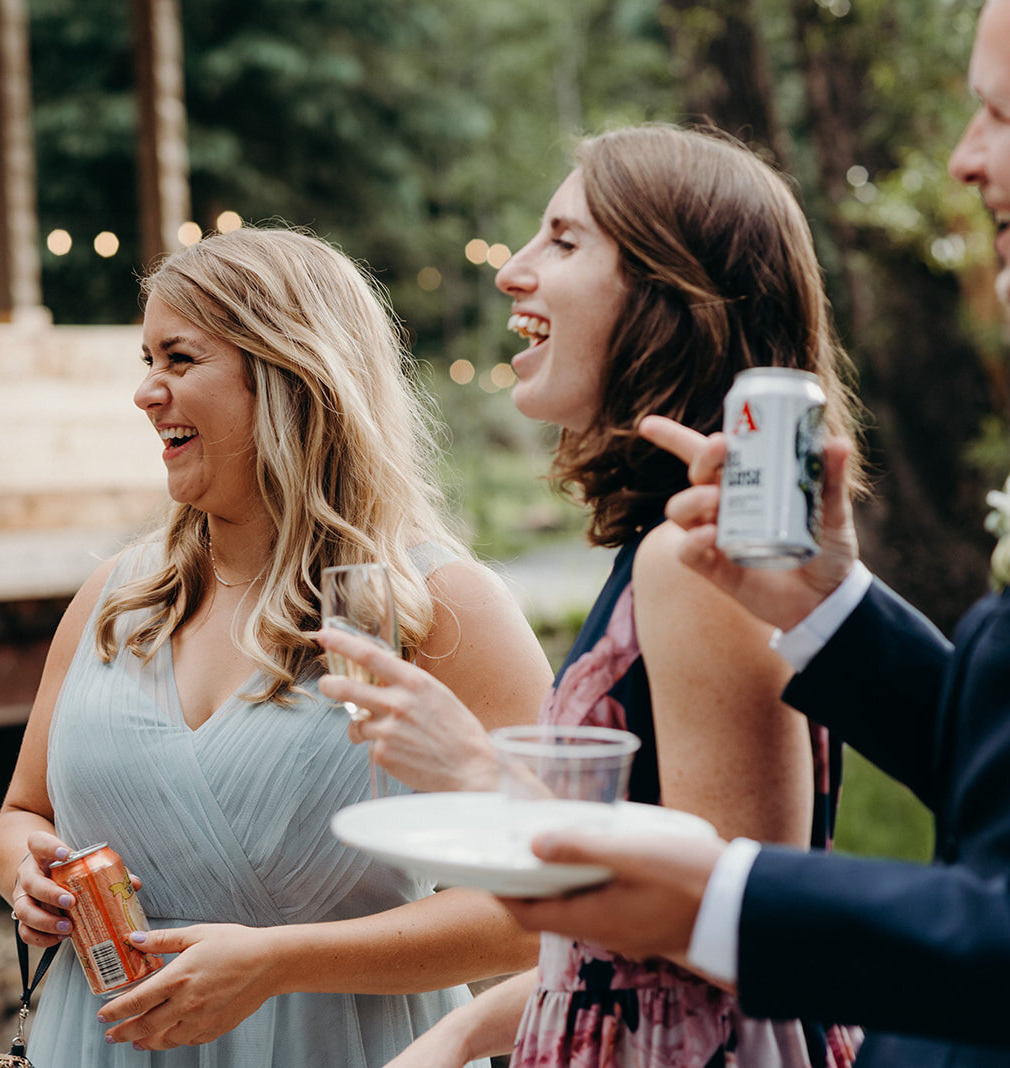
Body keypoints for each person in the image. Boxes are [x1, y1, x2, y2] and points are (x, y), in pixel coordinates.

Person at [492, 8, 1010, 1058]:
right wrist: (835, 609)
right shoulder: (697, 554)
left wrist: (720, 893)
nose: (963, 157)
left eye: (999, 112)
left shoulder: (680, 567)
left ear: (665, 294)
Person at [318, 124, 867, 1068]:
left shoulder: (693, 565)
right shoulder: (676, 545)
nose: (513, 272)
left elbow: (741, 928)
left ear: (669, 295)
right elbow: (631, 941)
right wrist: (458, 1031)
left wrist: (476, 771)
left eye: (564, 242)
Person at [0, 225, 554, 1066]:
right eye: (146, 362)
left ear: (290, 374)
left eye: (178, 359)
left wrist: (280, 965)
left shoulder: (435, 607)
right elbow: (21, 812)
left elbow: (546, 912)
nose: (146, 392)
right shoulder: (113, 599)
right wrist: (22, 872)